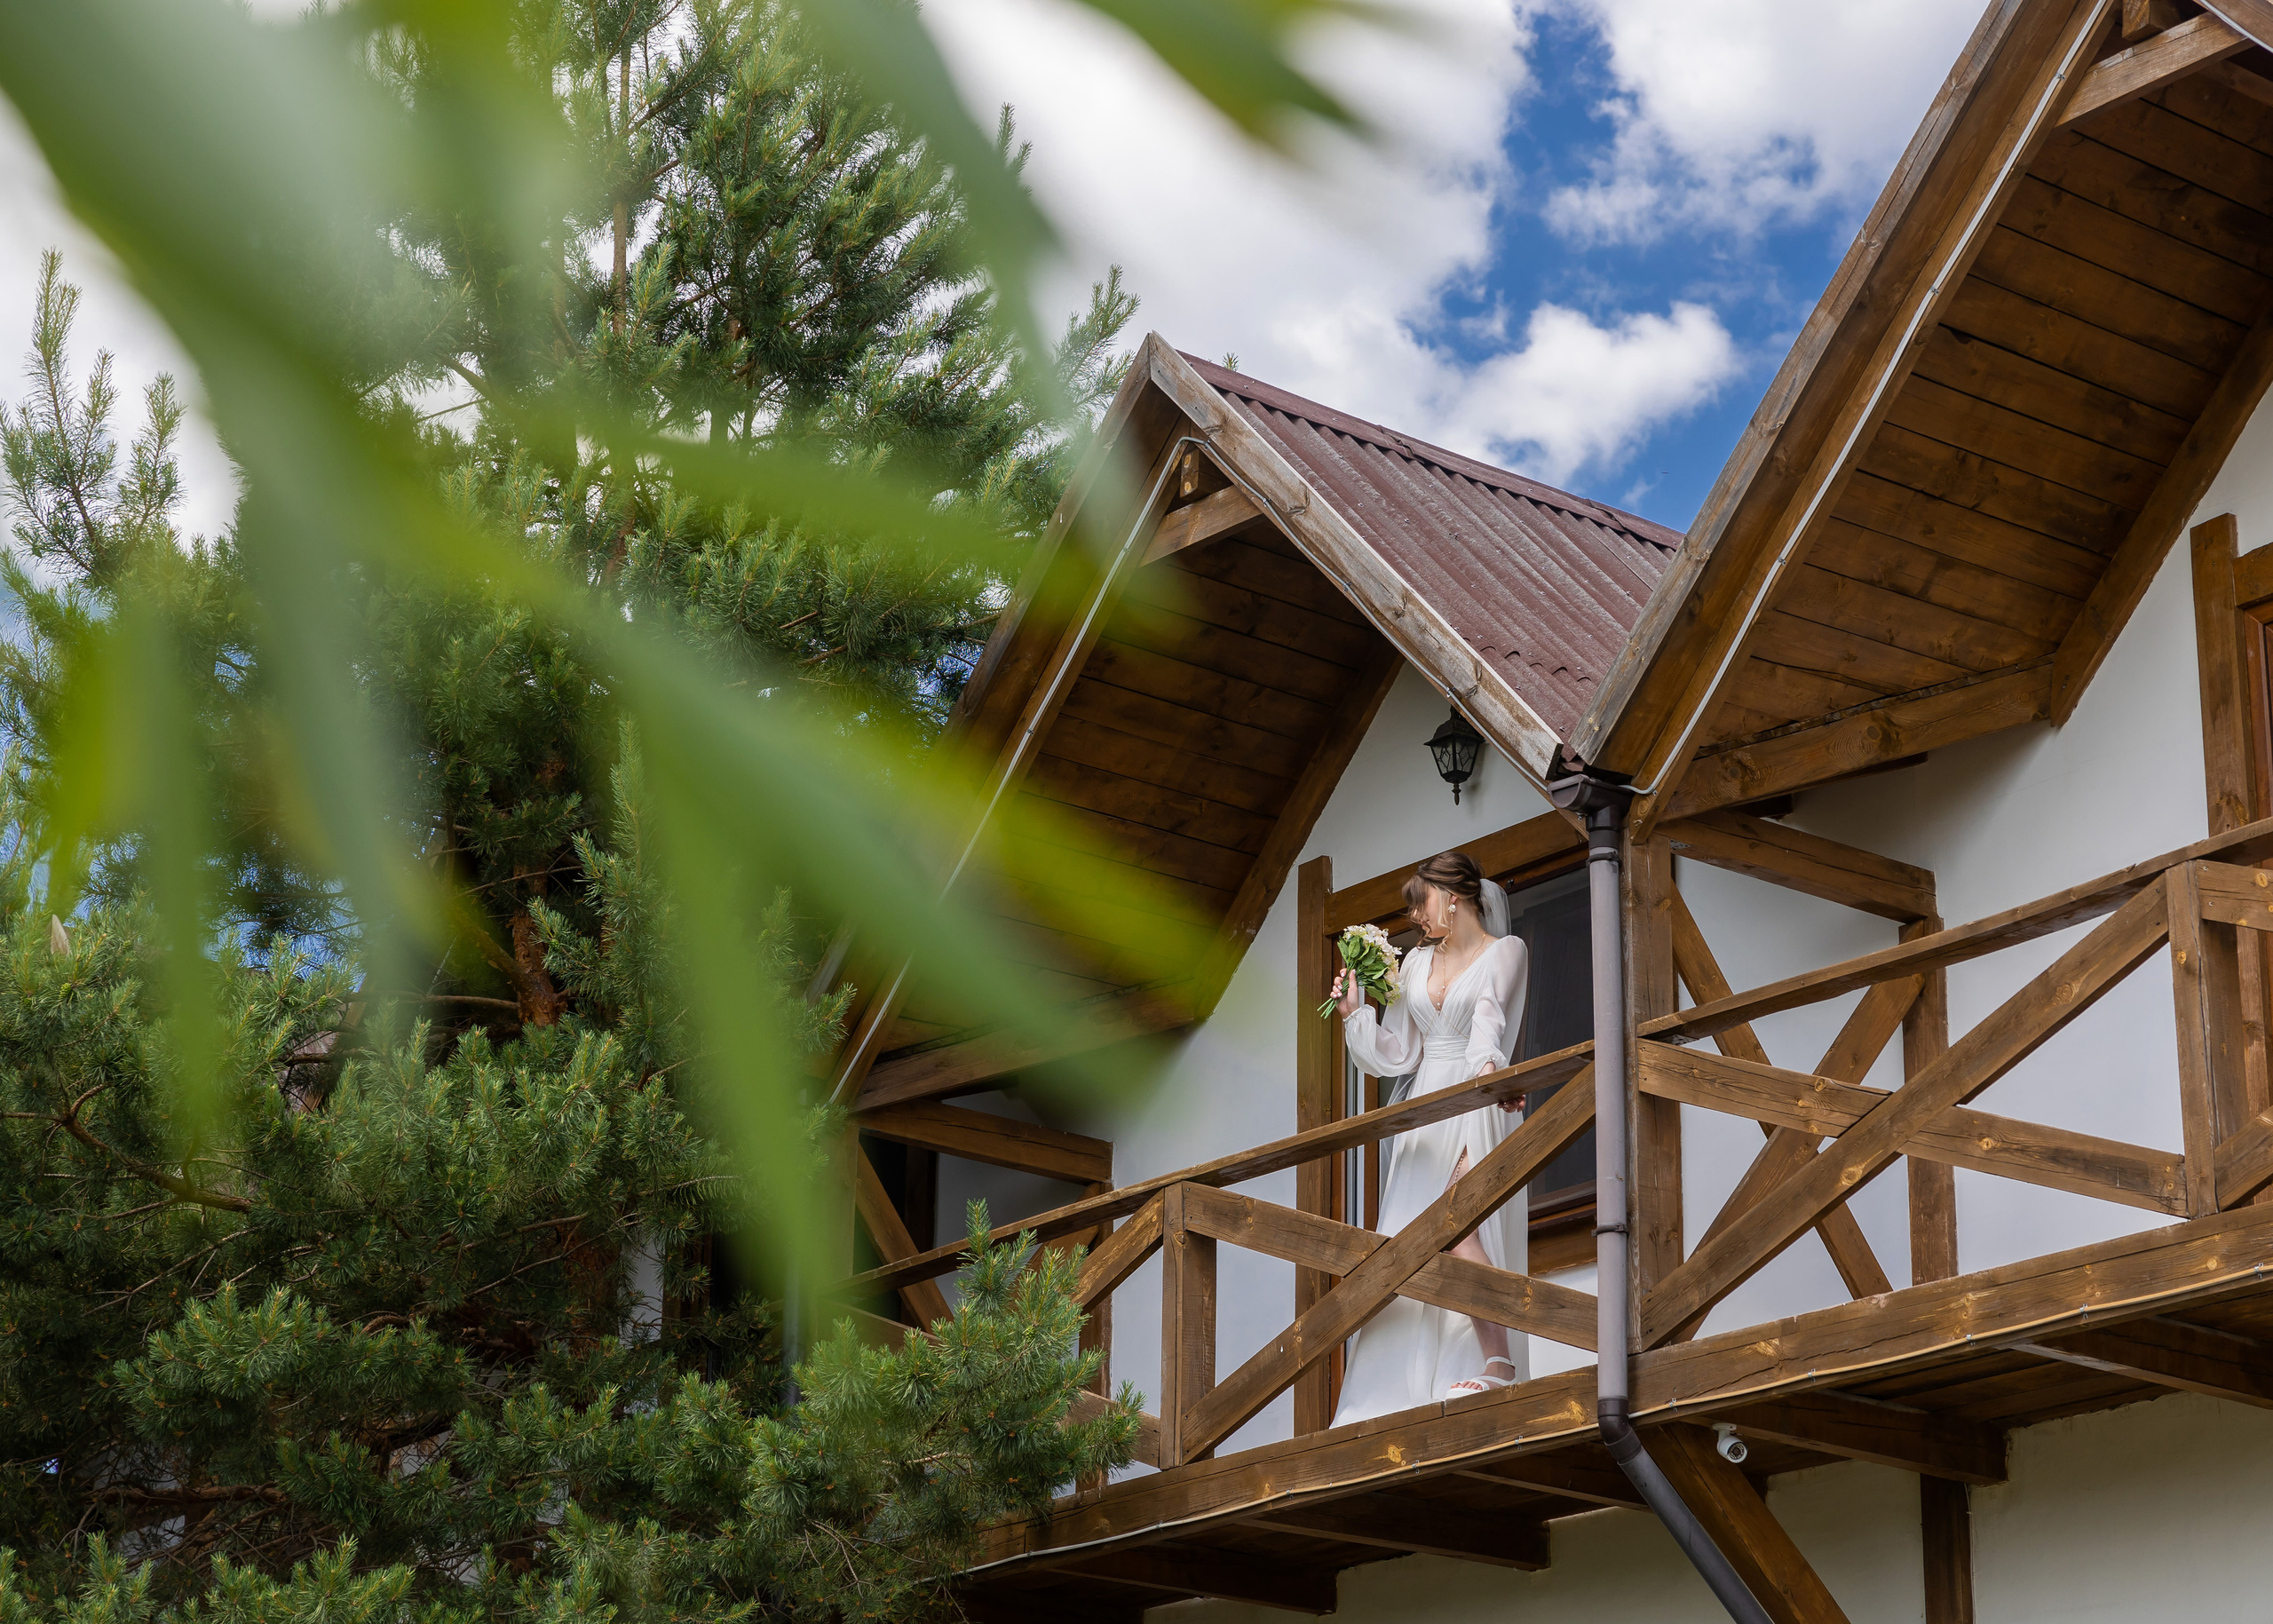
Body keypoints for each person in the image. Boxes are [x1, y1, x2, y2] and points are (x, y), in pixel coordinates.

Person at [1330, 849, 1528, 1421]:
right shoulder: (1415, 963)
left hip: (1474, 1099)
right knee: (1412, 1240)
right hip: (1425, 1110)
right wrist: (1355, 1014)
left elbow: (1489, 1025)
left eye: (1421, 903)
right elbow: (1400, 1052)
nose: (1415, 916)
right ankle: (1398, 1390)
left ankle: (1497, 1362)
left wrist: (1492, 1078)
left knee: (1459, 1225)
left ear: (1452, 897)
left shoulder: (1505, 951)